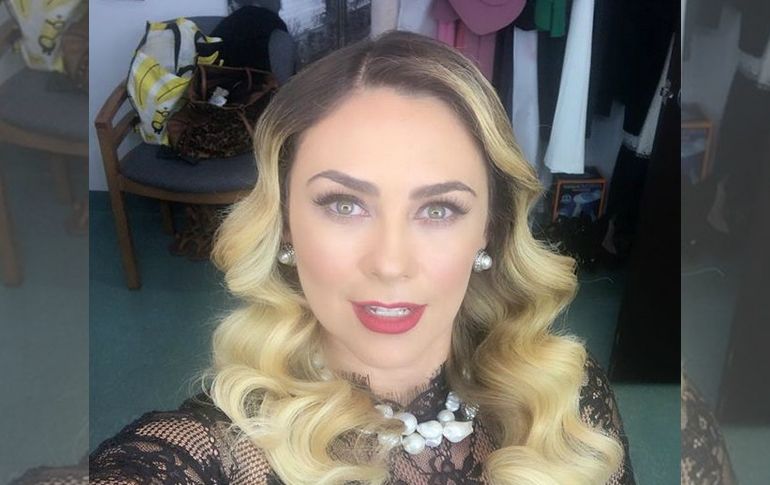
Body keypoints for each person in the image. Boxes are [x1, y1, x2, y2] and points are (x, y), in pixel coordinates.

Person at [90, 31, 635, 484]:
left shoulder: (562, 397)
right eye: (344, 205)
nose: (390, 264)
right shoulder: (215, 454)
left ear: (488, 231)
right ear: (284, 220)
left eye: (439, 209)